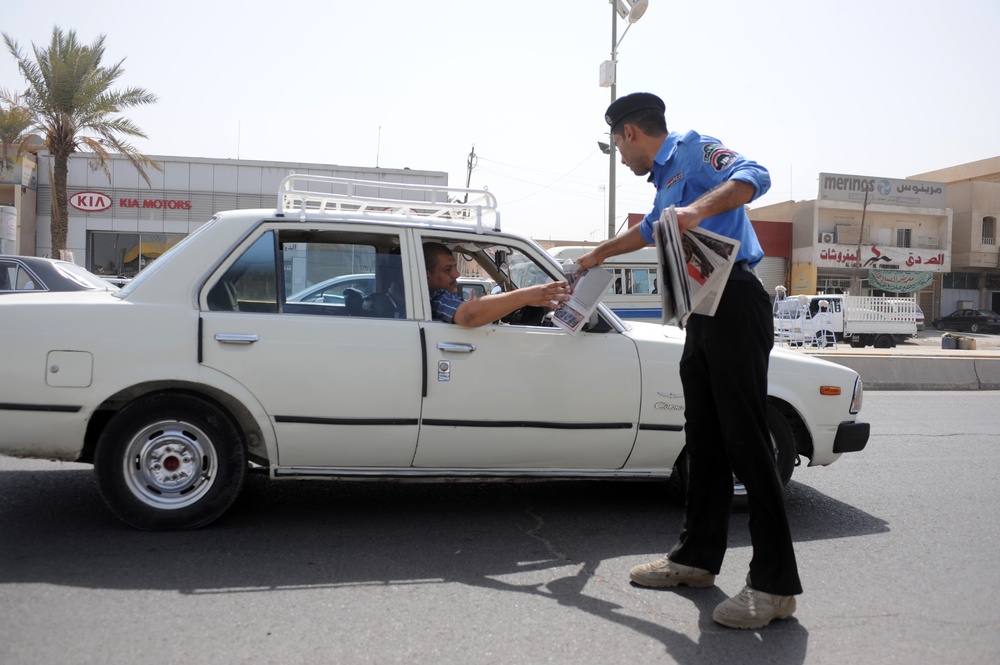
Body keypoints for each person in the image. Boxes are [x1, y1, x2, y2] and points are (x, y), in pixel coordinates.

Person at [576, 92, 801, 630]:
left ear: (630, 132)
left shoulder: (695, 150)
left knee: (746, 441)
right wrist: (598, 254)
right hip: (700, 311)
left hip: (736, 299)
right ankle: (696, 558)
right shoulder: (662, 183)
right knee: (702, 438)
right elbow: (652, 227)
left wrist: (698, 210)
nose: (620, 156)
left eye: (616, 145)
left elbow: (755, 174)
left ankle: (775, 586)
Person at [423, 242, 569, 327]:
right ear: (427, 275)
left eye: (455, 267)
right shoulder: (435, 297)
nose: (456, 274)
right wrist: (527, 296)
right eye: (447, 269)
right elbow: (468, 315)